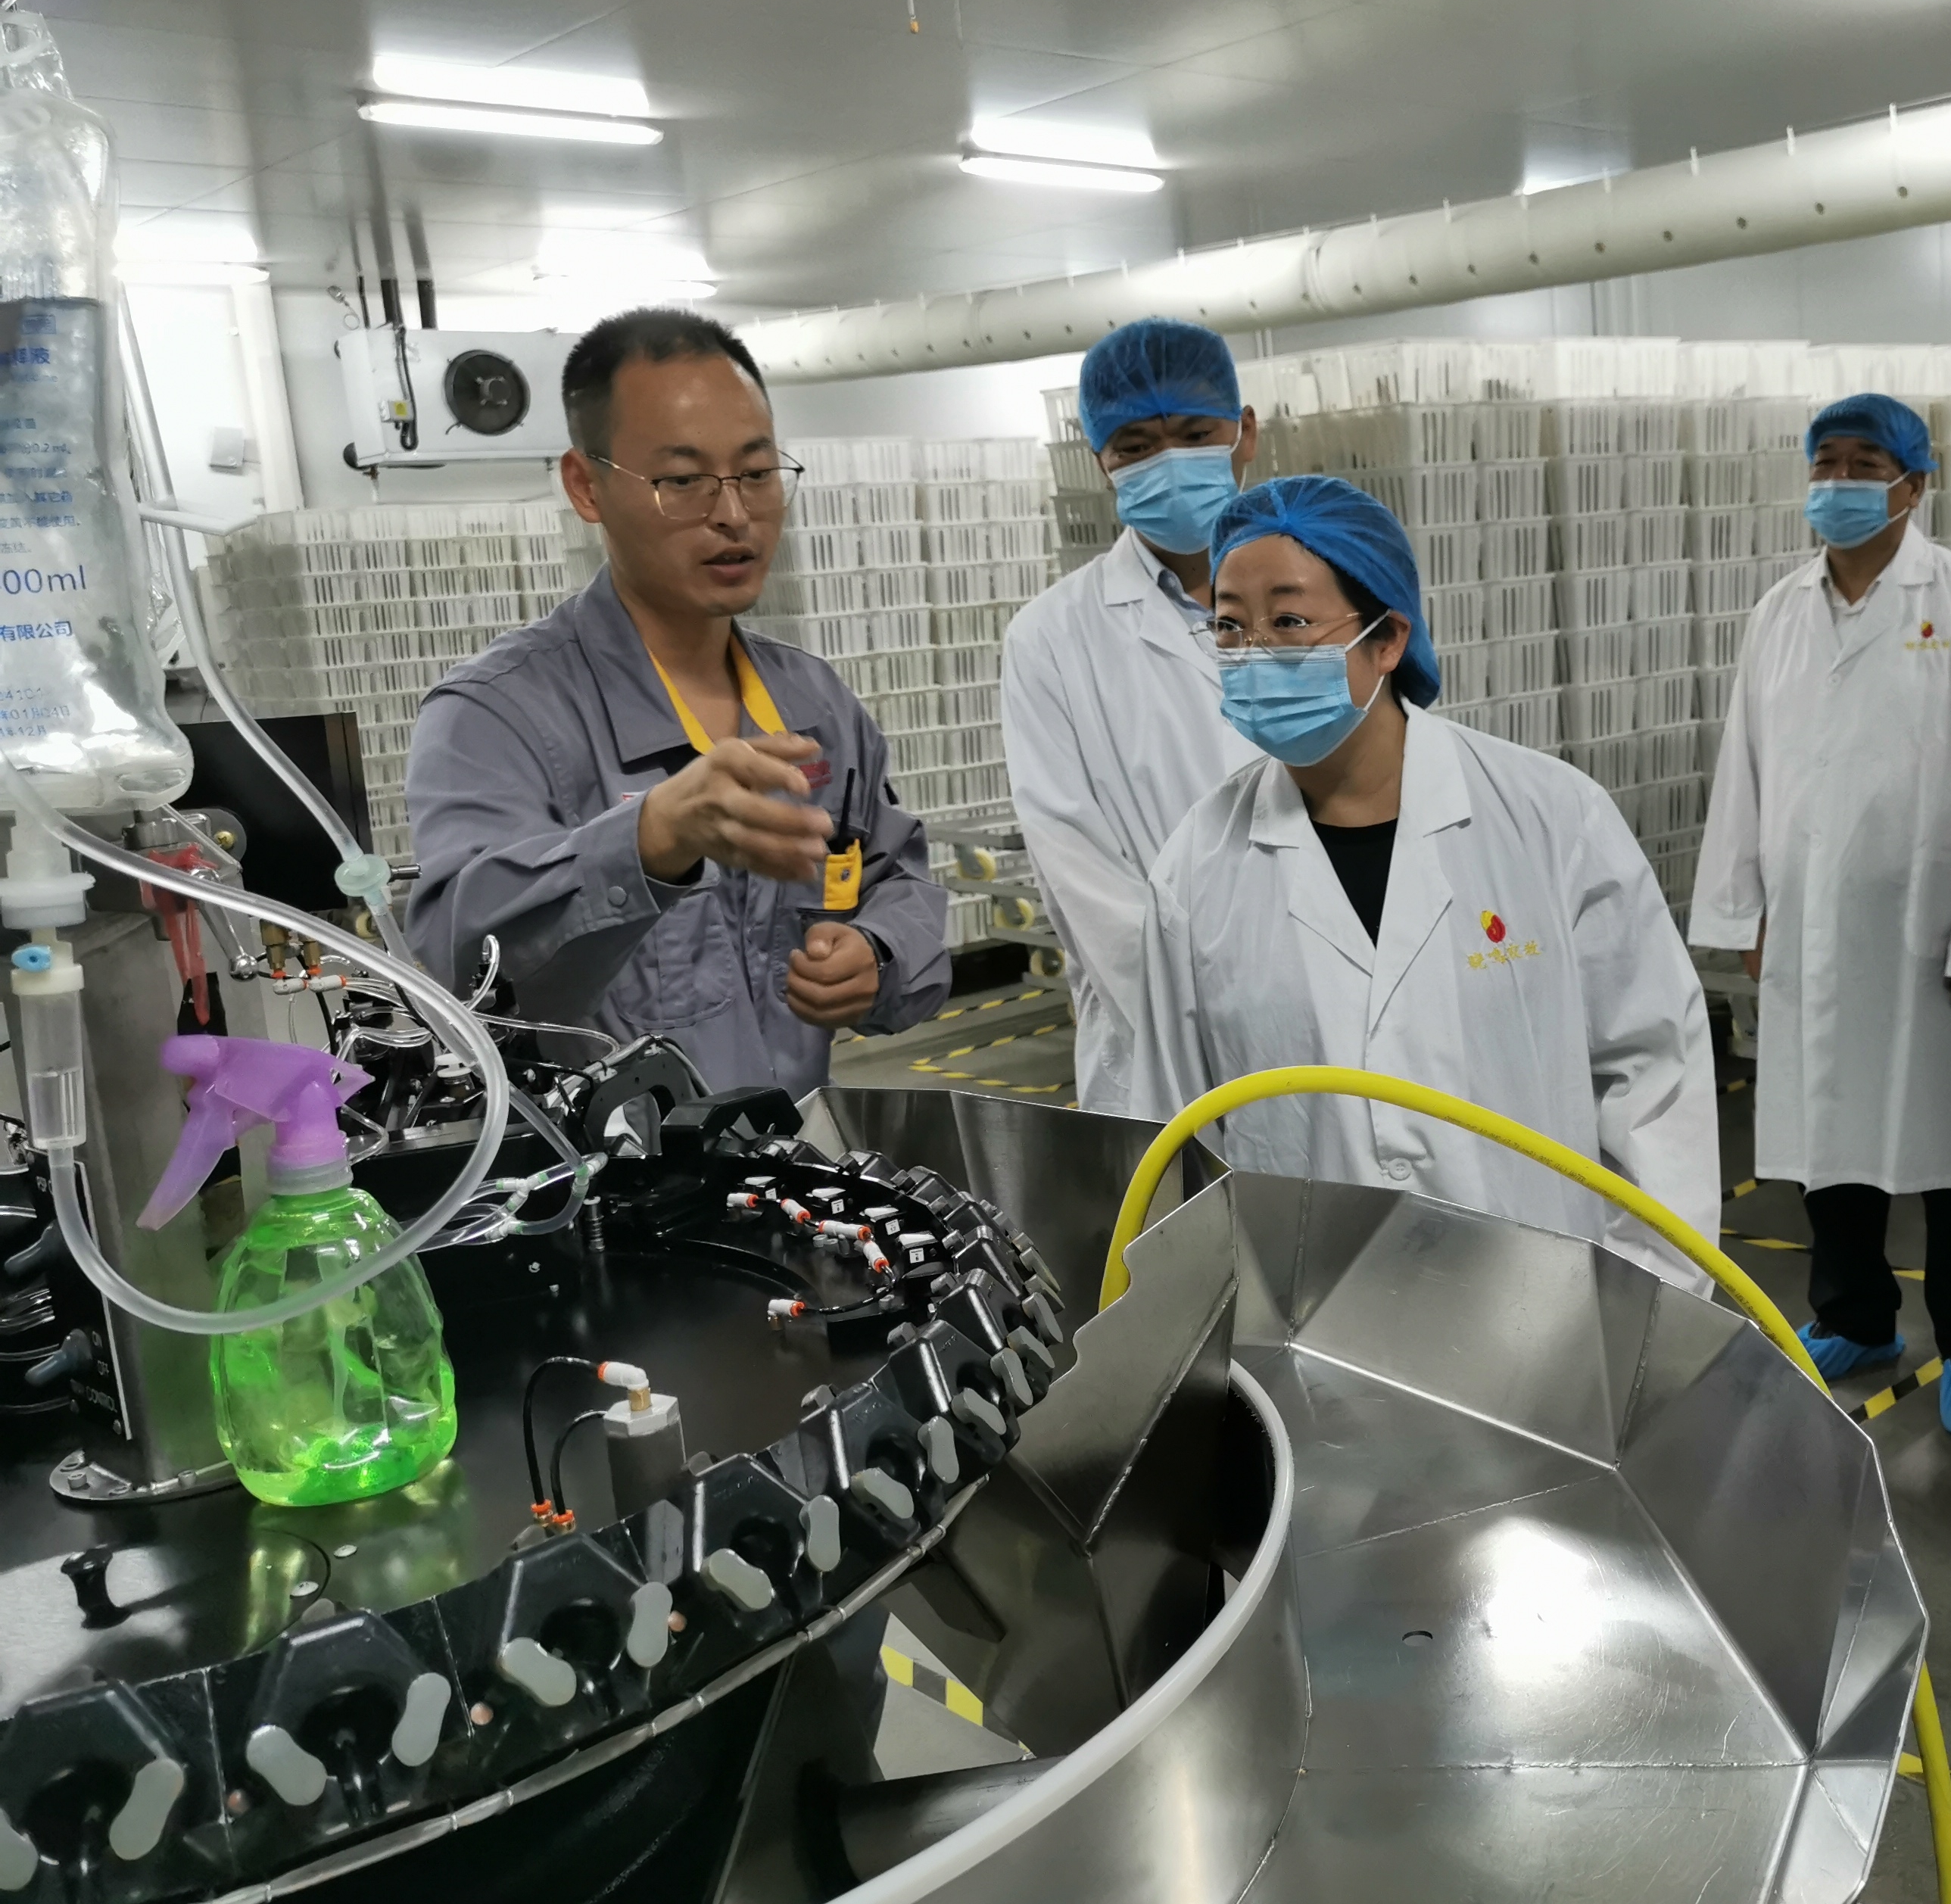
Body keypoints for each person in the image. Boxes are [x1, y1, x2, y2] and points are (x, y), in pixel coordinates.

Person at [1133, 475, 1720, 1289]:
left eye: (1290, 622)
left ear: (1388, 639)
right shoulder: (1197, 867)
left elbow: (1653, 1069)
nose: (1255, 652)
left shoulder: (1551, 818)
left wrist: (1645, 1300)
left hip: (1543, 1307)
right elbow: (1168, 1130)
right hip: (1317, 1312)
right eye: (1230, 627)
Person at [406, 309, 951, 1098]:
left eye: (757, 473)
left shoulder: (814, 704)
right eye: (683, 481)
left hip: (792, 1159)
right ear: (586, 486)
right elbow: (461, 965)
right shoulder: (496, 718)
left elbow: (894, 874)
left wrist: (879, 951)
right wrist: (646, 840)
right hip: (599, 1175)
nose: (733, 513)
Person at [1688, 394, 1951, 1436]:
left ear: (1914, 485)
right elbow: (1745, 766)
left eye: (1866, 464)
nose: (1840, 483)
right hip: (1808, 923)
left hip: (1930, 929)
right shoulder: (1779, 612)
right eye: (1826, 463)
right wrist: (1744, 909)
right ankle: (1855, 1316)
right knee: (1824, 1137)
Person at [1002, 318, 1261, 1110]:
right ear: (1102, 462)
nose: (1169, 463)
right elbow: (1075, 865)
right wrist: (1215, 1018)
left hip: (1341, 1015)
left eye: (1195, 435)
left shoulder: (1330, 597)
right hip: (1161, 1051)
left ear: (1245, 434)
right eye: (1137, 447)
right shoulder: (1051, 638)